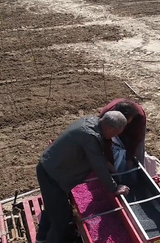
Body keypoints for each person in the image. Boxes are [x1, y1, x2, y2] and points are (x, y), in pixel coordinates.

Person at [35, 111, 131, 243]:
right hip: (52, 175)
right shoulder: (89, 135)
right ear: (110, 128)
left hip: (51, 167)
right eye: (115, 134)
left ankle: (41, 238)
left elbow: (96, 153)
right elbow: (97, 164)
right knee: (61, 218)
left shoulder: (92, 123)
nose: (112, 138)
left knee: (53, 208)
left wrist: (108, 164)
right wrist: (114, 187)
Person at [99, 98, 147, 173]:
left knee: (138, 151)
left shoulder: (139, 117)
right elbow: (104, 137)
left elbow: (136, 140)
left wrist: (129, 158)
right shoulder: (107, 115)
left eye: (125, 123)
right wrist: (109, 162)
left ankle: (140, 172)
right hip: (113, 125)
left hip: (133, 128)